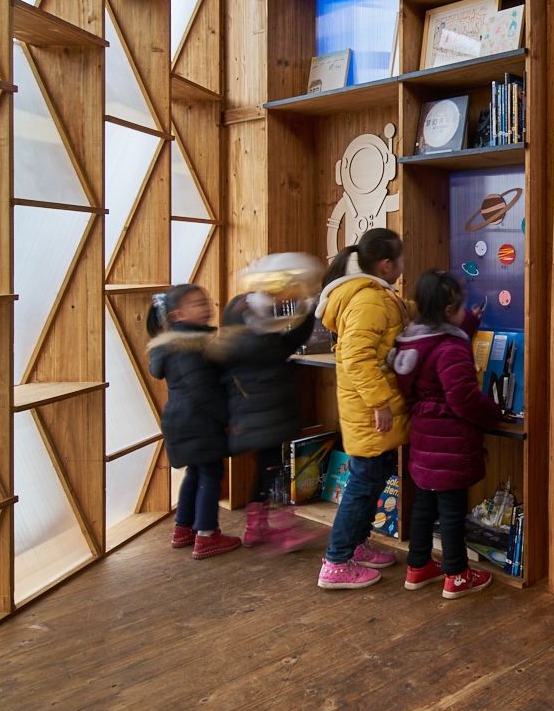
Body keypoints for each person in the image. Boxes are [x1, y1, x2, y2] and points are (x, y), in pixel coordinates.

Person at [394, 270, 499, 600]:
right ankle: (456, 573)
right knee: (453, 510)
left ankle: (417, 566)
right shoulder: (451, 347)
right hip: (451, 438)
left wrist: (467, 324)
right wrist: (494, 416)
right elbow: (462, 398)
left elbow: (434, 353)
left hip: (425, 435)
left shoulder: (414, 336)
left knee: (425, 503)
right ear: (448, 309)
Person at [208, 253, 323, 552]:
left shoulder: (249, 331)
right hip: (264, 414)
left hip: (258, 414)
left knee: (268, 468)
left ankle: (256, 528)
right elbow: (289, 341)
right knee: (272, 469)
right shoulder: (256, 341)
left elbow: (288, 339)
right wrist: (306, 308)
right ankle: (280, 530)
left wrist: (303, 308)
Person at [315, 227, 409, 590]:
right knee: (362, 482)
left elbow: (394, 320)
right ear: (386, 265)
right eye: (400, 260)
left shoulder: (378, 296)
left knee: (372, 477)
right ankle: (336, 561)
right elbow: (357, 358)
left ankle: (356, 545)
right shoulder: (368, 299)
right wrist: (379, 402)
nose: (402, 265)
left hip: (369, 406)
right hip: (369, 408)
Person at [146, 283, 241, 559]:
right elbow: (203, 389)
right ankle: (207, 535)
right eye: (198, 304)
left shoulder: (172, 343)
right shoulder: (190, 344)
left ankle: (182, 529)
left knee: (195, 473)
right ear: (177, 315)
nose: (207, 308)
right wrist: (227, 418)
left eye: (207, 302)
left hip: (178, 418)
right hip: (199, 418)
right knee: (211, 475)